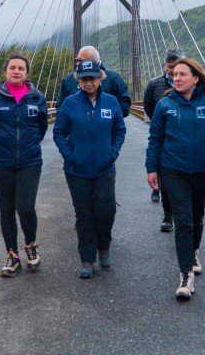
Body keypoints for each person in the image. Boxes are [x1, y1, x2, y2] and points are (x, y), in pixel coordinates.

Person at [145, 57, 205, 300]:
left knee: (196, 216)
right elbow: (155, 139)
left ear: (195, 78)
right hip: (173, 170)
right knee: (183, 220)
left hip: (203, 171)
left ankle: (194, 250)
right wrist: (151, 168)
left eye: (182, 74)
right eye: (174, 74)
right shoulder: (165, 105)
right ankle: (186, 275)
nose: (177, 78)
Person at [53, 59, 126, 279]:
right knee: (84, 214)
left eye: (93, 78)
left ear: (100, 78)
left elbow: (119, 130)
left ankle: (104, 247)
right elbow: (59, 132)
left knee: (106, 210)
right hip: (77, 170)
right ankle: (87, 258)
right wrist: (70, 156)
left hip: (105, 168)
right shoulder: (70, 103)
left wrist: (112, 153)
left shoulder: (111, 102)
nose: (89, 83)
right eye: (84, 79)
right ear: (79, 80)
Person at [0, 54, 49, 277]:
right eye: (12, 68)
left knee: (26, 207)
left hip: (30, 161)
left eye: (21, 68)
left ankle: (30, 245)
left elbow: (41, 128)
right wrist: (0, 145)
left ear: (27, 73)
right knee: (7, 209)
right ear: (5, 71)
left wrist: (27, 145)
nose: (16, 71)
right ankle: (12, 255)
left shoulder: (37, 97)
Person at [143, 48, 182, 231]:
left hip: (184, 137)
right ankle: (168, 216)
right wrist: (159, 123)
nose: (173, 70)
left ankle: (184, 214)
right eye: (170, 66)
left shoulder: (190, 83)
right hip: (163, 136)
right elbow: (148, 107)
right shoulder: (154, 84)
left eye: (176, 65)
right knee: (166, 174)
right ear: (165, 65)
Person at [55, 46, 131, 117]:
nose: (77, 63)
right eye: (77, 60)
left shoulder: (113, 78)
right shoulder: (68, 79)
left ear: (93, 61)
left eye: (80, 60)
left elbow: (125, 102)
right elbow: (60, 107)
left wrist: (110, 118)